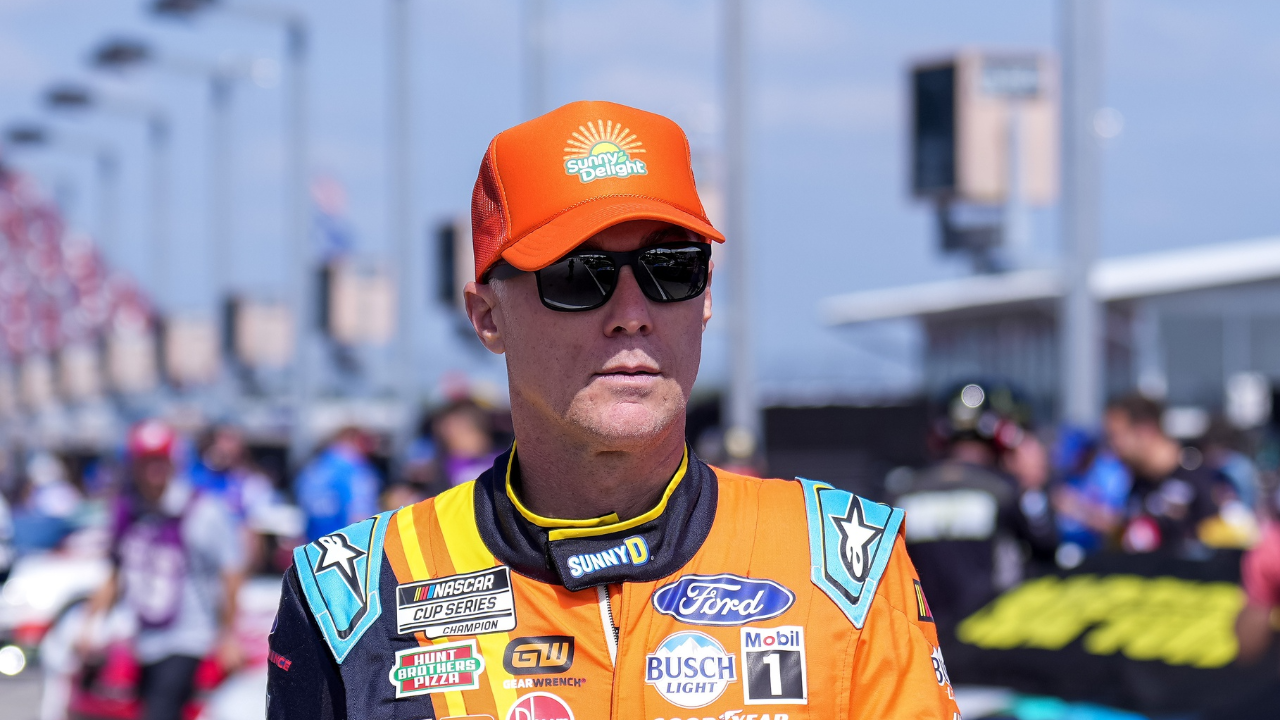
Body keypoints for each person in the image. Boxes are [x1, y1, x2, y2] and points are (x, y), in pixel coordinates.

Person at [267, 101, 960, 719]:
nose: (632, 315)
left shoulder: (841, 560)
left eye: (671, 269)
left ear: (707, 297)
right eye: (578, 277)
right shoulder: (354, 594)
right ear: (487, 317)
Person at [79, 420, 246, 720]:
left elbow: (231, 573)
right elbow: (116, 572)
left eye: (160, 460)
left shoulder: (202, 510)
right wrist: (90, 624)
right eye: (146, 462)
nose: (153, 470)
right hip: (143, 638)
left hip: (189, 638)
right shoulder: (129, 511)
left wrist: (228, 635)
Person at [890, 381, 1059, 630]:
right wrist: (1032, 487)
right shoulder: (1004, 490)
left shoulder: (902, 492)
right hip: (990, 635)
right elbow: (1047, 546)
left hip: (925, 639)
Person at [1103, 393, 1224, 554]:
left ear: (1145, 431)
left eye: (1115, 437)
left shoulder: (1200, 479)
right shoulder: (1139, 483)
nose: (1112, 448)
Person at [293, 426, 380, 543]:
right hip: (346, 545)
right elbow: (361, 514)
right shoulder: (356, 468)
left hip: (313, 545)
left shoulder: (313, 467)